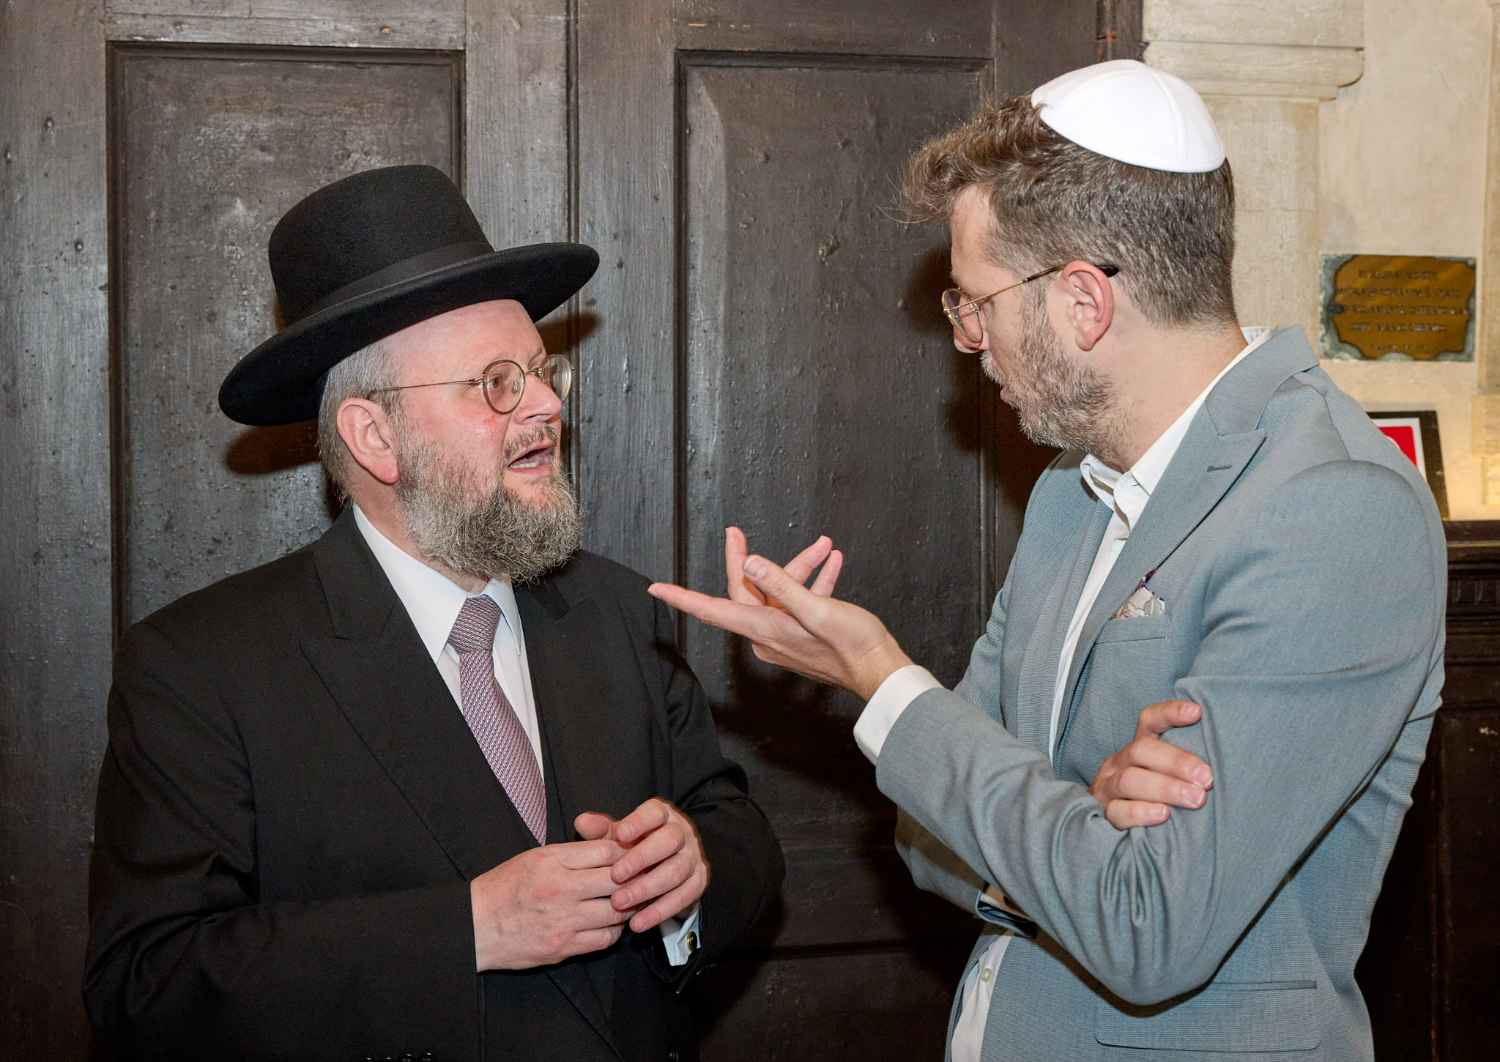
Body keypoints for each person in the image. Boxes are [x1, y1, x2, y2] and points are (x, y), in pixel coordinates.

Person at [650, 60, 1446, 1061]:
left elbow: (1147, 928)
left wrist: (885, 684)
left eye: (975, 301)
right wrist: (1080, 828)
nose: (969, 340)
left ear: (1082, 300)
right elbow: (928, 837)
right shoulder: (1074, 493)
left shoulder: (1333, 506)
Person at [84, 165, 784, 1061]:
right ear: (376, 437)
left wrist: (691, 868)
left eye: (540, 373)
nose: (545, 406)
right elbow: (148, 985)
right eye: (494, 383)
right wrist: (469, 930)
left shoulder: (616, 610)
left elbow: (733, 825)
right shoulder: (203, 668)